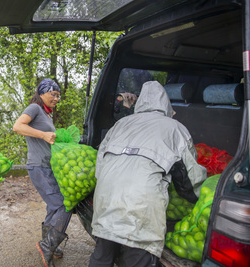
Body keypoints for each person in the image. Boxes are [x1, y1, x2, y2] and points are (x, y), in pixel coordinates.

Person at [89, 81, 207, 267]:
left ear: (141, 102)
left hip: (107, 198)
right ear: (166, 103)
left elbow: (100, 167)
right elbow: (190, 179)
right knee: (137, 254)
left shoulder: (119, 124)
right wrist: (201, 201)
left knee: (103, 254)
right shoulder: (175, 128)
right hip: (141, 207)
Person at [13, 78, 71, 267]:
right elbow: (18, 126)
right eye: (53, 94)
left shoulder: (47, 115)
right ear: (42, 93)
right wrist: (44, 135)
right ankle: (47, 246)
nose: (57, 98)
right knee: (63, 205)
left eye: (58, 95)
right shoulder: (35, 108)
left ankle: (50, 245)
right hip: (38, 166)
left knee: (52, 205)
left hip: (48, 165)